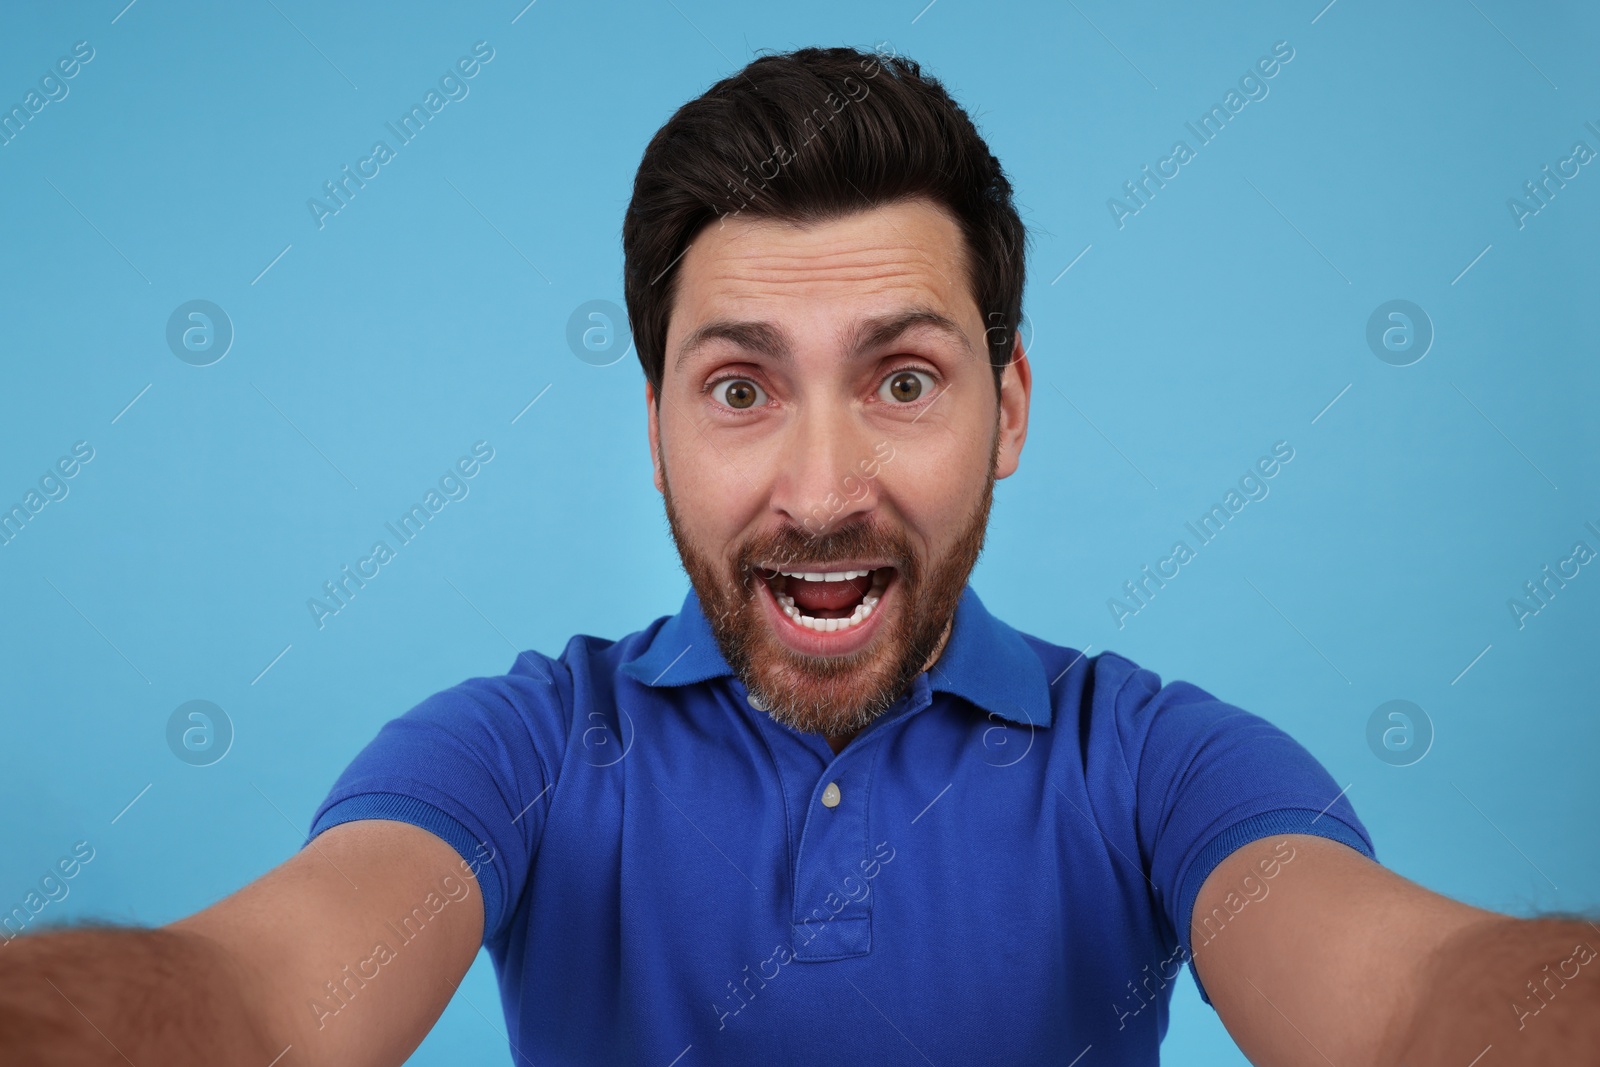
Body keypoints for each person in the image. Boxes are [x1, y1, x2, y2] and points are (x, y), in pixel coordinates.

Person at [2, 44, 1594, 1067]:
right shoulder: (525, 750)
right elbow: (258, 1003)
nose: (822, 487)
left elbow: (1410, 1006)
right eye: (742, 388)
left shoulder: (1157, 766)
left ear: (1008, 407)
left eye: (903, 379)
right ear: (655, 431)